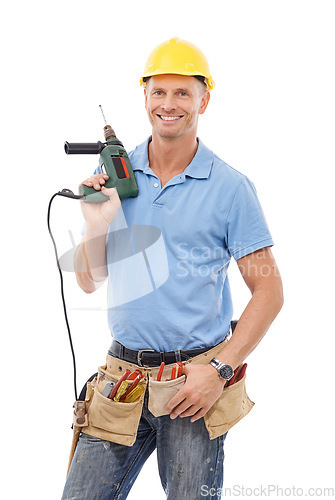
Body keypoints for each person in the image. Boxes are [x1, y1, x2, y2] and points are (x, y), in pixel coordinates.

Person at [62, 37, 283, 500]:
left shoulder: (230, 189)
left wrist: (220, 370)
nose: (169, 104)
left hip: (192, 387)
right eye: (158, 92)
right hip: (120, 381)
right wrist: (96, 224)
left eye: (183, 92)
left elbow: (269, 293)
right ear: (144, 97)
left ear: (205, 98)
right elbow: (87, 280)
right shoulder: (118, 177)